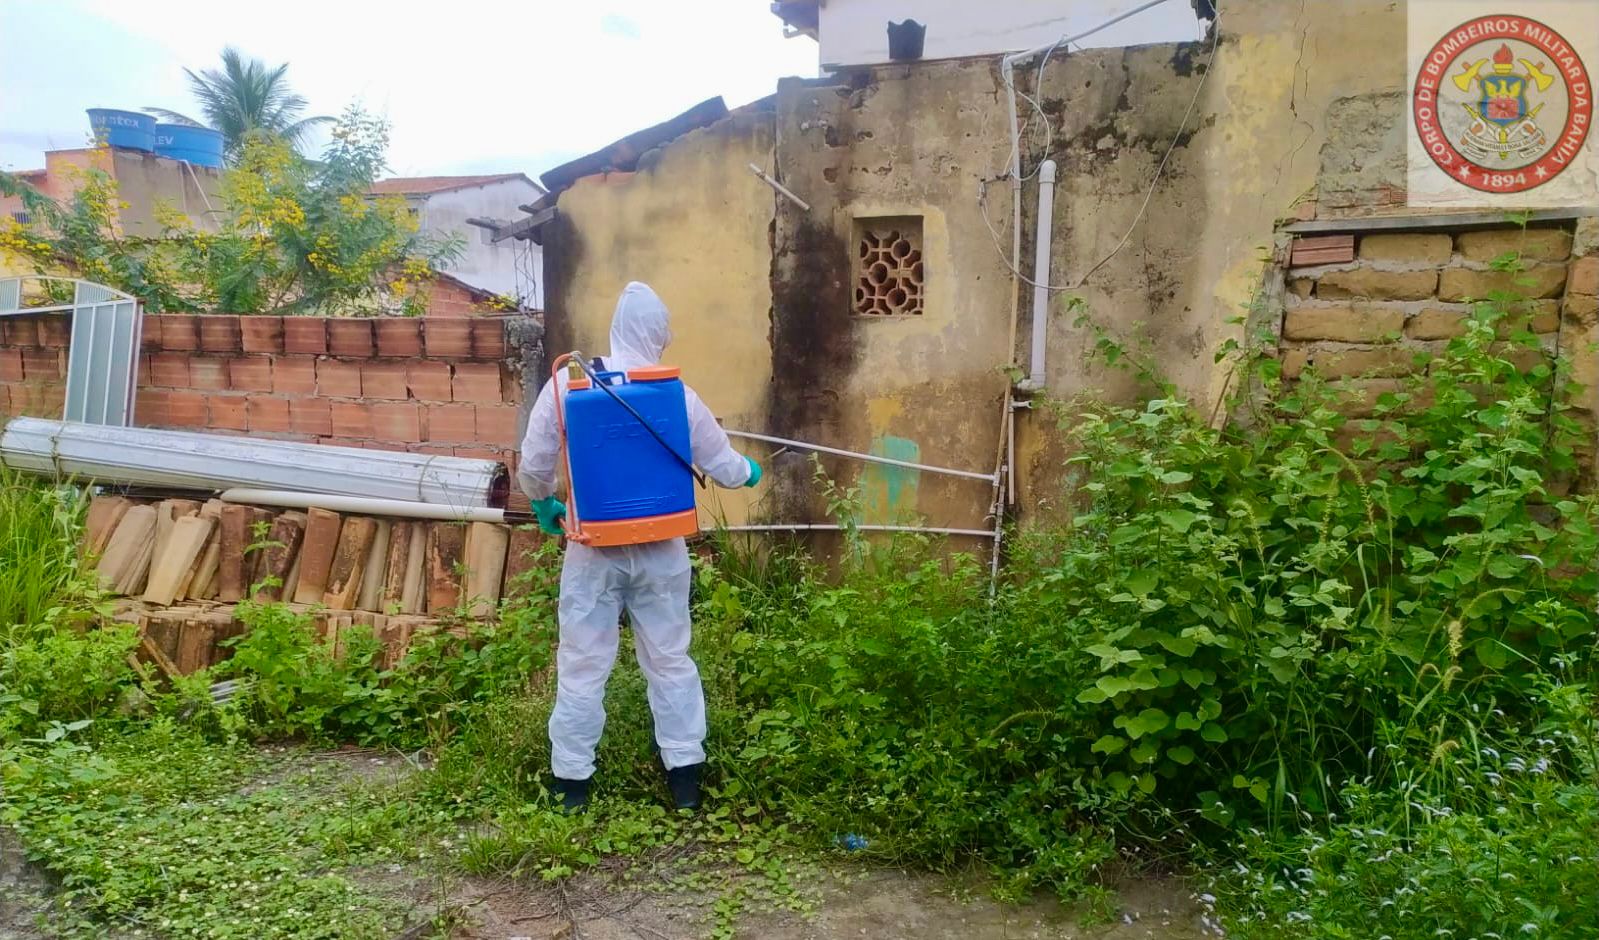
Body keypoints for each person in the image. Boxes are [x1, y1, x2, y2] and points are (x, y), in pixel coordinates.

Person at [517, 281, 761, 813]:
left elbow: (533, 465)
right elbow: (726, 468)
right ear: (658, 334)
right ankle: (685, 778)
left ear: (615, 328)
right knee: (670, 659)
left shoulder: (568, 384)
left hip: (592, 549)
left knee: (582, 663)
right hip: (660, 550)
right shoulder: (678, 395)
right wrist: (750, 471)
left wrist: (543, 502)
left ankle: (571, 785)